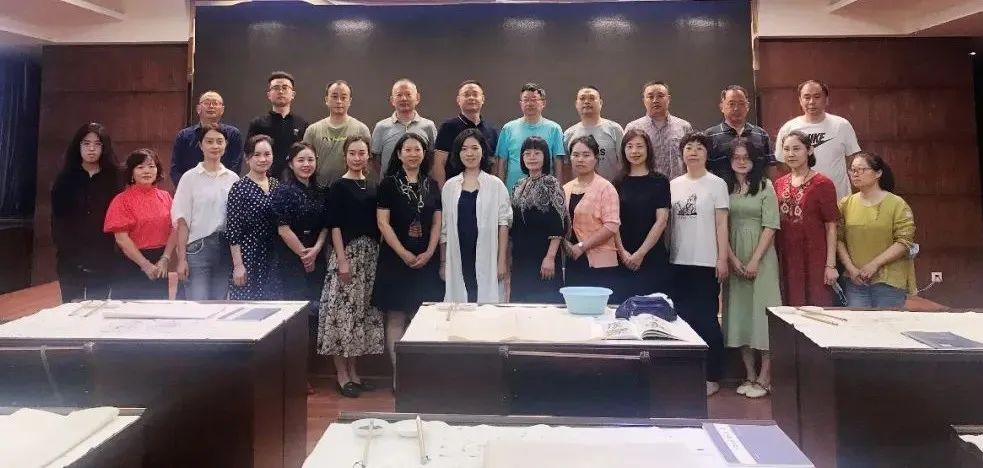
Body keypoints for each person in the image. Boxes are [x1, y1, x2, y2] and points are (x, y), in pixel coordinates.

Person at [317, 135, 384, 398]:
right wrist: (342, 260)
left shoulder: (373, 186)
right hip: (347, 255)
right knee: (341, 315)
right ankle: (341, 375)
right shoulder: (338, 187)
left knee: (360, 317)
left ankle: (355, 372)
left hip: (370, 256)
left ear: (368, 156)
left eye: (362, 153)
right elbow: (334, 225)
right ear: (345, 156)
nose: (357, 158)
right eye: (353, 153)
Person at [668, 132, 730, 397]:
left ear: (707, 154)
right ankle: (686, 373)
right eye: (688, 148)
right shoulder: (674, 184)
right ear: (682, 154)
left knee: (707, 319)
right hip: (678, 261)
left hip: (706, 261)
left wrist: (722, 258)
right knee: (682, 318)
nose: (693, 152)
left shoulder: (717, 184)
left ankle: (712, 375)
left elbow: (721, 224)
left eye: (699, 148)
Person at [373, 134, 442, 366]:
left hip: (426, 260)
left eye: (417, 150)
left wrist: (430, 252)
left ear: (424, 154)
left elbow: (437, 223)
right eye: (408, 150)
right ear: (399, 154)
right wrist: (403, 253)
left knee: (421, 316)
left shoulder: (432, 184)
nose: (413, 154)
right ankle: (399, 374)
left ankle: (418, 374)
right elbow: (383, 223)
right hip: (395, 259)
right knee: (396, 316)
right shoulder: (388, 184)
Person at [721, 138, 782, 399]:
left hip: (762, 256)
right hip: (733, 255)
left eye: (746, 157)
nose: (741, 161)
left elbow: (771, 226)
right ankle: (749, 374)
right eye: (736, 157)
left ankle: (765, 377)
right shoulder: (725, 188)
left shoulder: (766, 186)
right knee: (740, 315)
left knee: (763, 314)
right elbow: (720, 225)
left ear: (754, 160)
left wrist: (755, 259)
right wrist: (731, 258)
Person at [51, 122, 122, 302]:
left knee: (97, 309)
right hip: (70, 259)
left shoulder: (115, 178)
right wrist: (67, 251)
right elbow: (58, 220)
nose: (91, 149)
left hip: (104, 257)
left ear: (104, 148)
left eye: (97, 144)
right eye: (86, 143)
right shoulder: (65, 178)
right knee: (71, 310)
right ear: (78, 146)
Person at [441, 129, 512, 303]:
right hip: (459, 252)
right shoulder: (450, 186)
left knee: (486, 304)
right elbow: (444, 229)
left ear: (483, 151)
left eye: (474, 148)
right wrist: (443, 262)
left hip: (488, 253)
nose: (469, 153)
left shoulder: (495, 185)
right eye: (464, 149)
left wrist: (501, 261)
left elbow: (503, 224)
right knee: (461, 301)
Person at [837, 152, 916, 308]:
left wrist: (874, 265)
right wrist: (851, 268)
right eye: (853, 170)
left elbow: (904, 241)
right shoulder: (846, 203)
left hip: (889, 280)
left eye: (861, 169)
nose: (855, 174)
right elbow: (838, 239)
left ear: (878, 173)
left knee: (887, 321)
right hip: (855, 280)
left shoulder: (897, 204)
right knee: (857, 322)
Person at [171, 123, 240, 300]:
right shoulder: (189, 178)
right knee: (198, 305)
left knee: (219, 306)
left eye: (219, 141)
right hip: (197, 249)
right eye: (209, 141)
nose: (215, 146)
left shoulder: (233, 178)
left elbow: (236, 221)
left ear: (226, 145)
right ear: (200, 145)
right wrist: (181, 260)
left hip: (224, 248)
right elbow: (182, 221)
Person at [774, 131, 840, 307]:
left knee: (816, 306)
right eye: (786, 149)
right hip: (786, 255)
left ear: (809, 150)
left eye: (796, 149)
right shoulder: (779, 183)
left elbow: (831, 226)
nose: (791, 154)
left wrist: (831, 265)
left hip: (814, 256)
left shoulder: (823, 184)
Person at [103, 149, 177, 300]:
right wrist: (145, 265)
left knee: (157, 310)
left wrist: (165, 258)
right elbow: (121, 239)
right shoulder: (121, 200)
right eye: (140, 167)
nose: (147, 171)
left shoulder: (166, 197)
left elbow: (175, 229)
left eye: (151, 166)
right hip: (131, 263)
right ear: (131, 172)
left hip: (159, 263)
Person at [775, 80, 861, 200]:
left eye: (817, 97)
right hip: (801, 199)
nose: (811, 102)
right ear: (800, 100)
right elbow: (782, 164)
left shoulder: (842, 125)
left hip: (839, 197)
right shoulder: (788, 128)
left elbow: (853, 161)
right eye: (807, 97)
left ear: (826, 100)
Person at [613, 129, 671, 300]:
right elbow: (612, 221)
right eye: (629, 146)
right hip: (623, 256)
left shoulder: (660, 181)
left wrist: (640, 254)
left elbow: (662, 221)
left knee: (652, 308)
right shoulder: (618, 182)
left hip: (652, 255)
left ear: (648, 149)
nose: (634, 151)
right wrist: (622, 252)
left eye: (639, 146)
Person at [562, 136, 622, 300]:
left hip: (600, 263)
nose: (580, 159)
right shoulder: (565, 188)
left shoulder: (606, 188)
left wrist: (582, 246)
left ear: (596, 158)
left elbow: (611, 225)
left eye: (586, 155)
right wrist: (566, 244)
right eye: (575, 155)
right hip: (573, 260)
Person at [510, 136, 568, 303]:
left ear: (545, 156)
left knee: (545, 304)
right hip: (521, 257)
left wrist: (550, 257)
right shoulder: (518, 185)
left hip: (544, 256)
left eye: (537, 153)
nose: (532, 157)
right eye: (527, 153)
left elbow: (559, 224)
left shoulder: (552, 184)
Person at [271, 142, 328, 304]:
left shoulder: (321, 191)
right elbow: (283, 229)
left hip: (317, 255)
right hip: (291, 257)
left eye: (310, 160)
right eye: (301, 160)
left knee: (317, 306)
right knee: (296, 306)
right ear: (291, 164)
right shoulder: (283, 191)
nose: (306, 164)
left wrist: (316, 250)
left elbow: (326, 226)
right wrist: (305, 256)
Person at [226, 135, 282, 300]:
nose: (263, 159)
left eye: (267, 154)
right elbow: (233, 230)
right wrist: (238, 265)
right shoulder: (239, 188)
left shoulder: (276, 185)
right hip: (249, 256)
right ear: (247, 157)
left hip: (274, 256)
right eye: (257, 155)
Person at [495, 82, 566, 191]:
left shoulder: (554, 129)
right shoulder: (508, 129)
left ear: (543, 103)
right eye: (526, 100)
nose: (529, 103)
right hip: (513, 191)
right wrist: (500, 191)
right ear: (520, 103)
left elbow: (558, 163)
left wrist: (558, 190)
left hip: (545, 192)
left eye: (534, 100)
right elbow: (502, 162)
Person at [304, 80, 372, 187]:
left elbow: (368, 162)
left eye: (344, 97)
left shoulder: (361, 129)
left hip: (352, 188)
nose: (339, 101)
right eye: (334, 97)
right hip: (319, 189)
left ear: (350, 101)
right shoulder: (313, 130)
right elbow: (305, 161)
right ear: (326, 99)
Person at [433, 80, 499, 186]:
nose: (471, 98)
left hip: (485, 189)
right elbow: (438, 163)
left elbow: (494, 164)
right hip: (455, 189)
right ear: (458, 100)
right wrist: (442, 191)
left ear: (482, 99)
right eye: (466, 95)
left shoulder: (491, 130)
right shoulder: (448, 127)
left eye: (475, 94)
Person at [171, 90, 243, 185]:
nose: (211, 106)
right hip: (191, 187)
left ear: (222, 110)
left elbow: (235, 165)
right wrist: (188, 186)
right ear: (198, 109)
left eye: (215, 103)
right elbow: (176, 168)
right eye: (207, 103)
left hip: (223, 187)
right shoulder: (184, 135)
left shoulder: (233, 134)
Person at [246, 71, 309, 180]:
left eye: (285, 88)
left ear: (293, 94)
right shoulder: (258, 124)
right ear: (269, 95)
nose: (280, 91)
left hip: (295, 180)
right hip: (264, 180)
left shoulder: (302, 124)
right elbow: (248, 153)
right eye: (276, 88)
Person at [625, 81, 693, 181]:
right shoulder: (633, 128)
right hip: (646, 185)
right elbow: (626, 161)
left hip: (678, 185)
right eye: (650, 97)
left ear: (668, 99)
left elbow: (691, 158)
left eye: (660, 96)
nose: (655, 100)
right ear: (644, 100)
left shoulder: (683, 127)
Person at [705, 85, 776, 177]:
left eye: (741, 103)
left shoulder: (761, 134)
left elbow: (770, 166)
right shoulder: (710, 136)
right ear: (721, 107)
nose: (736, 108)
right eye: (731, 104)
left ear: (748, 106)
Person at [371, 79, 437, 176]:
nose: (404, 99)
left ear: (417, 98)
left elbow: (433, 157)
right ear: (392, 100)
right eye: (399, 95)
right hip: (389, 183)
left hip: (420, 182)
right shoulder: (381, 127)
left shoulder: (428, 126)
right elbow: (375, 159)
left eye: (408, 94)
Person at [563, 86, 624, 181]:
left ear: (600, 103)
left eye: (591, 98)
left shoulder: (614, 129)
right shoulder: (569, 134)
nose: (587, 102)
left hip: (611, 187)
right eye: (582, 98)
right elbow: (566, 167)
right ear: (576, 104)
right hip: (578, 189)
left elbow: (624, 162)